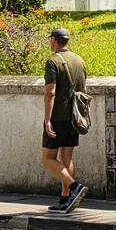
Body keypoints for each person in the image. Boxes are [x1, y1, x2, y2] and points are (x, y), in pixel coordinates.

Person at [42, 25, 88, 213]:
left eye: (50, 40)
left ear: (54, 40)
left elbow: (50, 93)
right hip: (74, 118)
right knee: (66, 157)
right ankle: (65, 198)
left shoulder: (53, 61)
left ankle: (74, 186)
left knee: (48, 158)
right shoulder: (79, 60)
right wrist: (85, 115)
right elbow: (84, 90)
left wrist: (47, 119)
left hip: (58, 117)